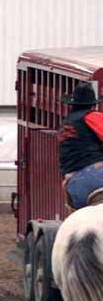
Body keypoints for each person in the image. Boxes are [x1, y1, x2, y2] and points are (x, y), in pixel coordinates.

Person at [59, 81, 103, 209]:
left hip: (72, 185)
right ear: (93, 104)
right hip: (96, 174)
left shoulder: (66, 123)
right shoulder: (92, 116)